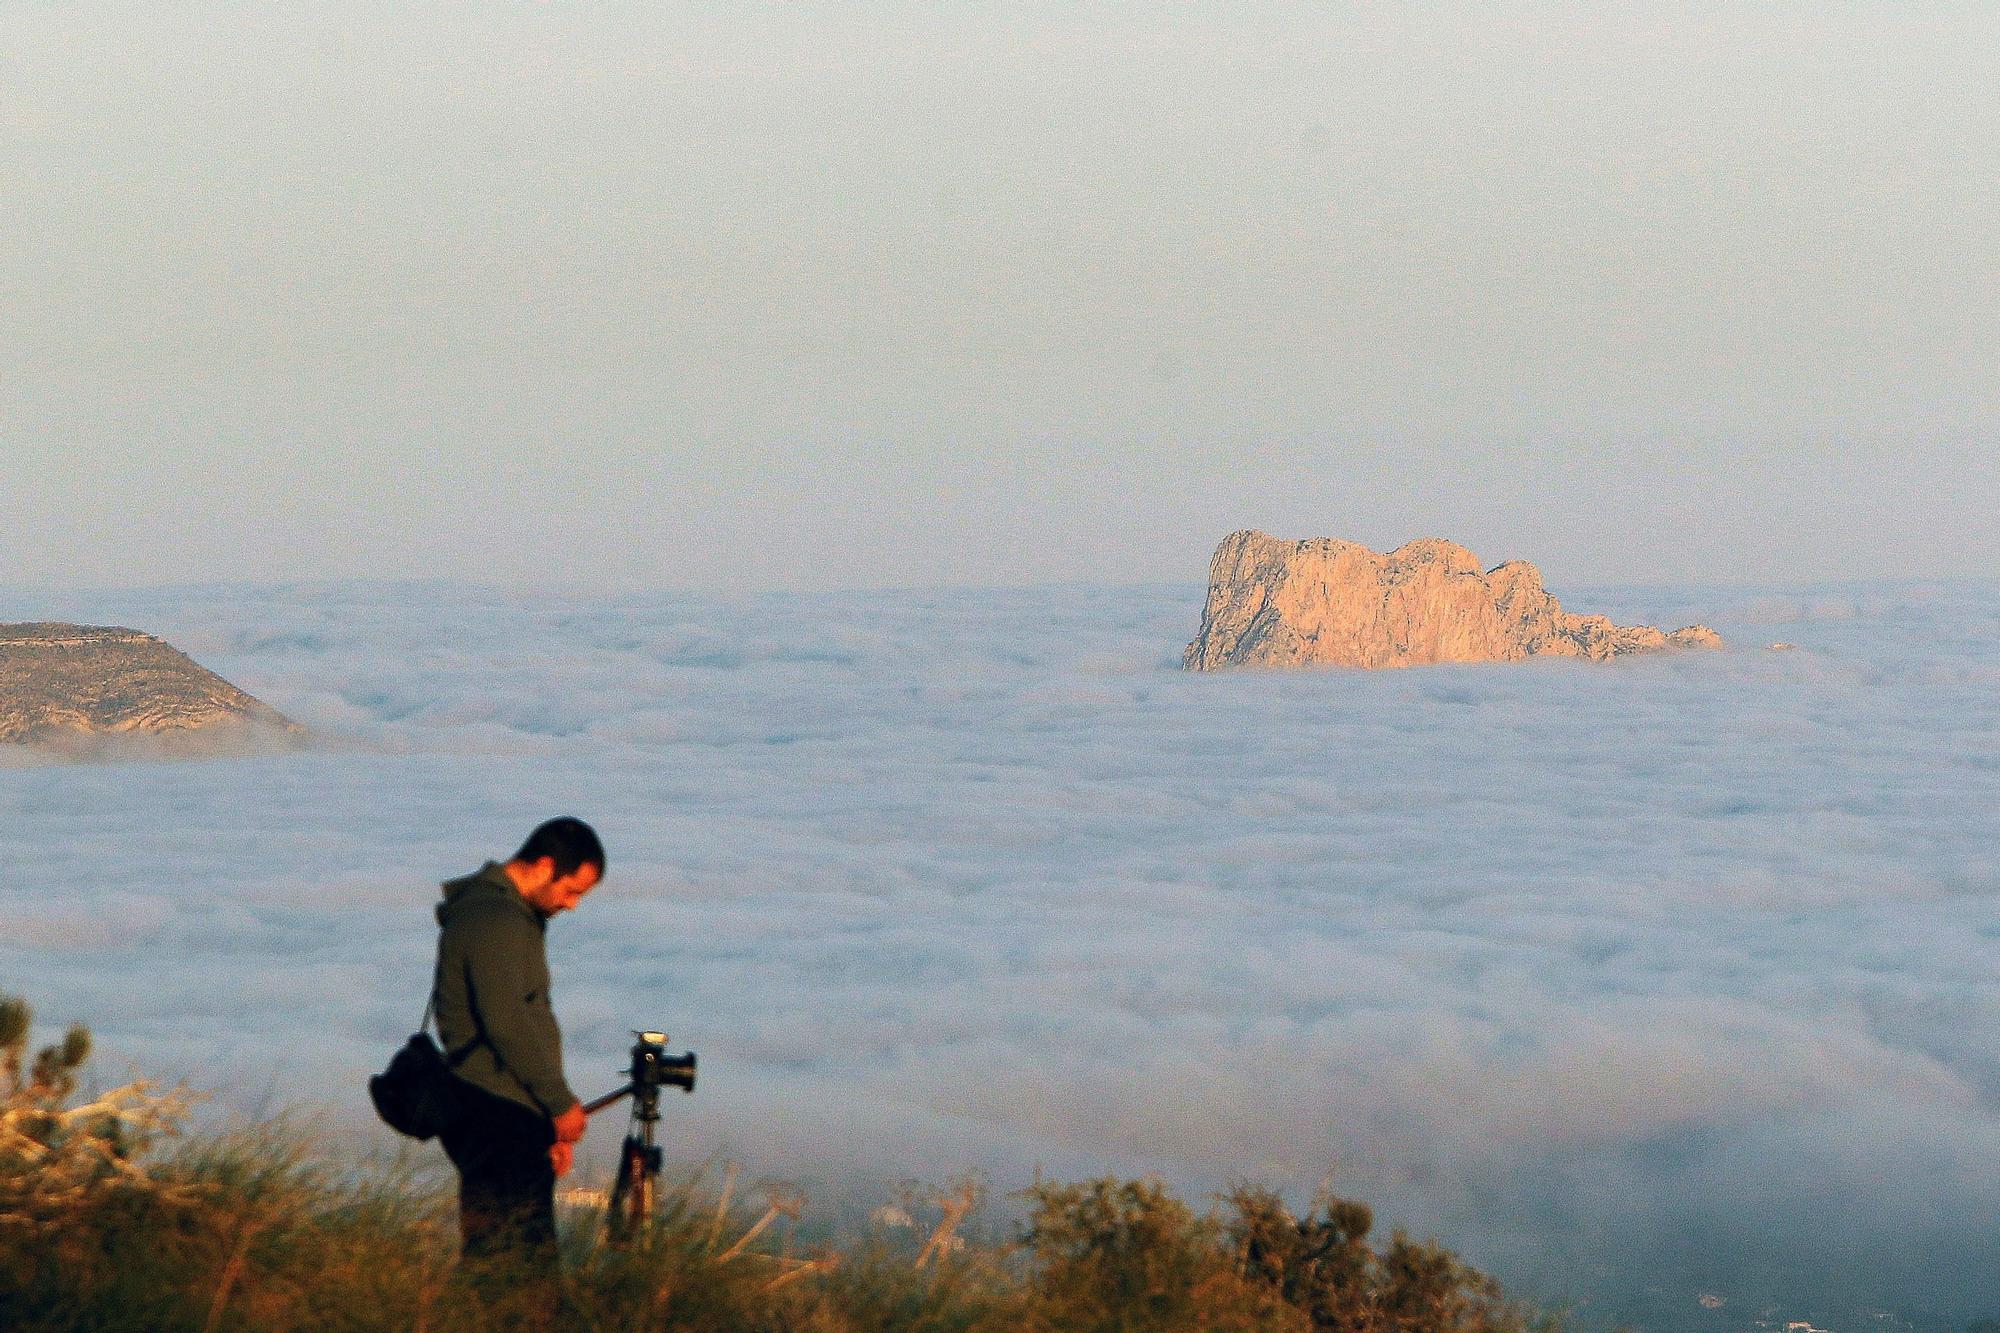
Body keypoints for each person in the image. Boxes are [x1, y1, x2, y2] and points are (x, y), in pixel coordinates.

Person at [432, 816, 603, 1274]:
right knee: (514, 1266)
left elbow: (524, 1017)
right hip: (494, 1110)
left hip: (510, 1110)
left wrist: (546, 1120)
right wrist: (559, 1104)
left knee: (509, 1258)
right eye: (572, 891)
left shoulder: (507, 915)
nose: (572, 906)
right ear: (546, 866)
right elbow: (507, 1022)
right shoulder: (496, 920)